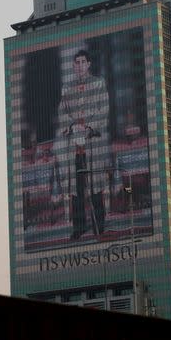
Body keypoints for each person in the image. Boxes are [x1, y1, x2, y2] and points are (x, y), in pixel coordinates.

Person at [57, 49, 109, 240]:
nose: (79, 65)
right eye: (76, 62)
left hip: (93, 143)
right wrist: (71, 127)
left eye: (82, 62)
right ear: (73, 65)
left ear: (88, 64)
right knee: (77, 190)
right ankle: (79, 227)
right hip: (74, 146)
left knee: (95, 187)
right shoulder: (67, 87)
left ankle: (99, 226)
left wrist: (89, 128)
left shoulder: (98, 83)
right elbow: (62, 112)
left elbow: (103, 109)